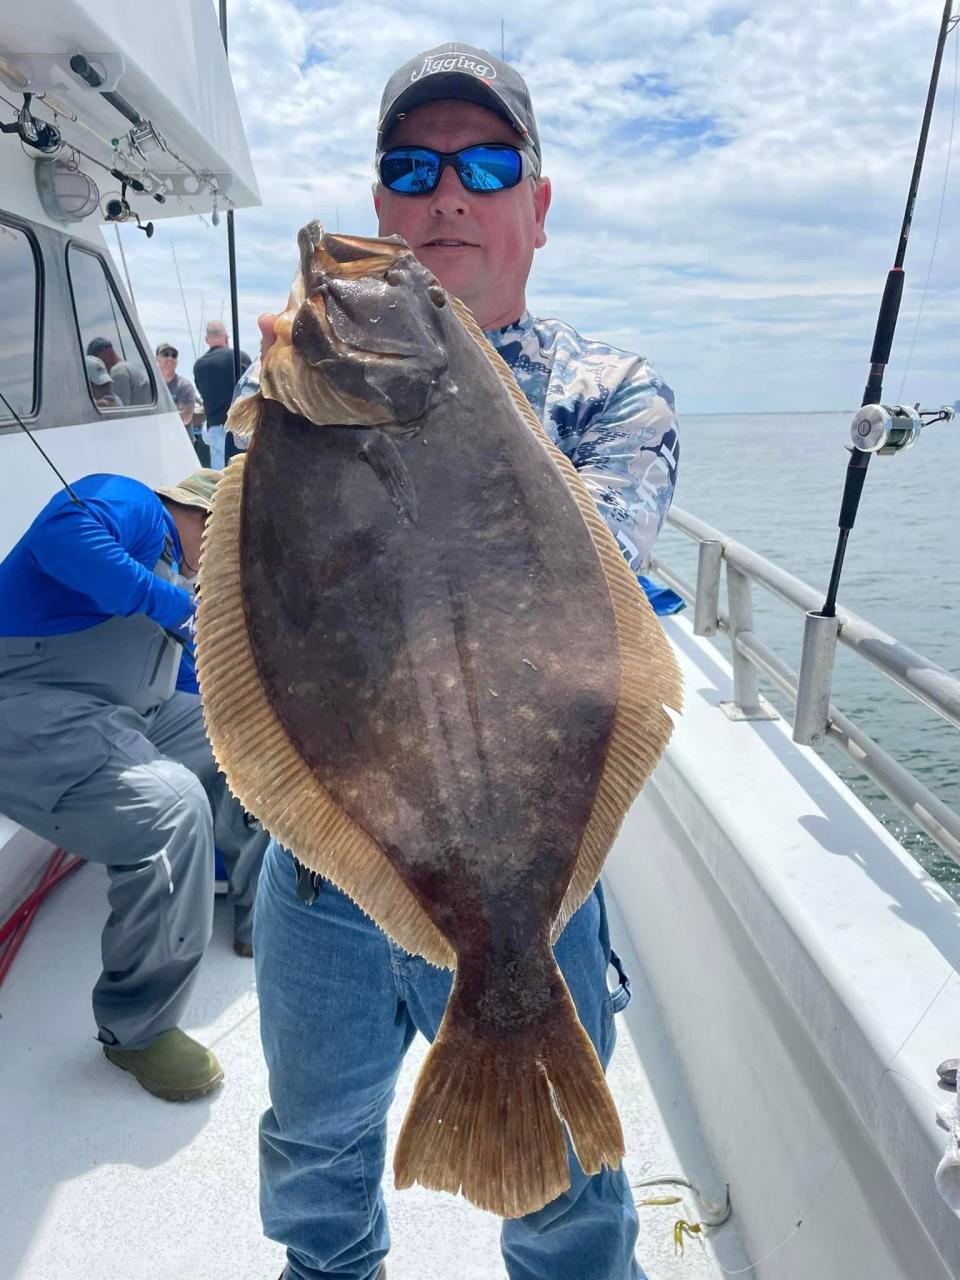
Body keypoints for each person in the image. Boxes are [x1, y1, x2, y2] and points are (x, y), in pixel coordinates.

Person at [248, 43, 680, 1280]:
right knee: (313, 1158)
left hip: (528, 888)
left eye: (488, 165)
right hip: (326, 869)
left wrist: (395, 401)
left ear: (536, 209)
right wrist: (282, 418)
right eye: (412, 166)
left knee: (570, 1215)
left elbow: (600, 584)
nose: (448, 192)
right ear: (382, 202)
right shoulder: (296, 387)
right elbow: (256, 589)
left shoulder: (612, 395)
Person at [0, 469, 269, 1099]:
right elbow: (65, 537)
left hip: (118, 708)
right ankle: (138, 1030)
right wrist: (178, 606)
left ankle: (262, 915)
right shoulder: (134, 504)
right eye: (227, 534)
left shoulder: (179, 571)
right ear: (198, 513)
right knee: (170, 807)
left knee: (244, 741)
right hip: (28, 705)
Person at [193, 321, 250, 469]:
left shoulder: (199, 365)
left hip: (215, 427)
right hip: (240, 427)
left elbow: (202, 391)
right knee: (241, 472)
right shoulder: (241, 357)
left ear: (207, 340)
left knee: (219, 476)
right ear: (226, 337)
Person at [86, 336, 152, 406]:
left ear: (105, 350)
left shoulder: (118, 371)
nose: (97, 362)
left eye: (96, 357)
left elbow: (120, 411)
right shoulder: (127, 366)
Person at [155, 341, 197, 436]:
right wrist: (174, 408)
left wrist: (157, 411)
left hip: (181, 444)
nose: (170, 358)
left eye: (174, 355)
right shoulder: (151, 387)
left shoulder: (185, 386)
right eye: (165, 354)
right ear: (157, 358)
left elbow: (185, 418)